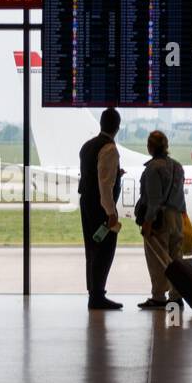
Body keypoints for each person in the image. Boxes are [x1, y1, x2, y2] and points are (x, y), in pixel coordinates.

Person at [134, 130, 187, 310]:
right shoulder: (178, 167)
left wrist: (148, 222)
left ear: (150, 147)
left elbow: (154, 200)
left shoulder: (153, 169)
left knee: (158, 260)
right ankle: (176, 297)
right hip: (177, 217)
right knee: (176, 259)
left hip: (159, 221)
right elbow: (180, 196)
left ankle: (158, 297)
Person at [78, 108, 124, 310]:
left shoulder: (87, 146)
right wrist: (111, 213)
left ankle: (93, 293)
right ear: (117, 127)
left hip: (86, 203)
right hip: (100, 207)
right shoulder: (109, 149)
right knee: (105, 249)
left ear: (102, 124)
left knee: (92, 248)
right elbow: (104, 185)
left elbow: (92, 174)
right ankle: (98, 295)